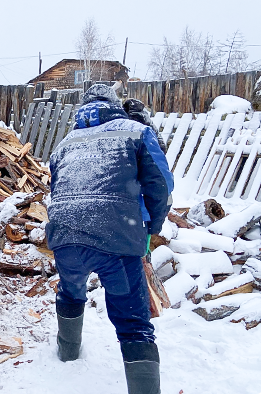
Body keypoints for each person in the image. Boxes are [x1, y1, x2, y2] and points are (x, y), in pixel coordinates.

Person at [46, 84, 173, 394]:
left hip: (64, 237)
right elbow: (162, 185)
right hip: (115, 239)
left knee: (71, 290)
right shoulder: (135, 131)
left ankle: (67, 354)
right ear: (115, 105)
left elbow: (57, 189)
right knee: (132, 321)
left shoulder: (64, 144)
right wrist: (151, 228)